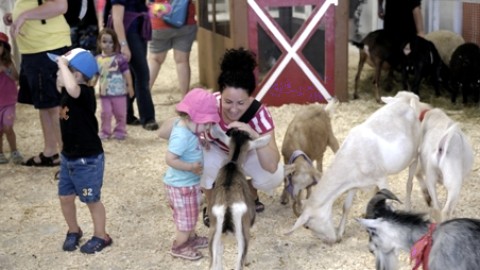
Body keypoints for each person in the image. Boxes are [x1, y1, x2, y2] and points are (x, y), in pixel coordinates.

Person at [159, 48, 284, 227]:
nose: (233, 109)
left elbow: (271, 165)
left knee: (273, 177)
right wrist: (187, 117)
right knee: (200, 157)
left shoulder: (259, 114)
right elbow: (163, 132)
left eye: (241, 103)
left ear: (250, 98)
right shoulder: (210, 104)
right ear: (220, 95)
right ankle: (211, 204)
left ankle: (249, 193)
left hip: (246, 155)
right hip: (217, 153)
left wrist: (253, 135)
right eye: (228, 102)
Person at [50, 48, 112, 254]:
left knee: (91, 200)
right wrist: (62, 69)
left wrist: (62, 65)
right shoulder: (66, 93)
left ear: (76, 75)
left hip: (88, 160)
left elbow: (73, 87)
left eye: (63, 70)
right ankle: (73, 230)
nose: (58, 73)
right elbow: (65, 86)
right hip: (69, 158)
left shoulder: (83, 93)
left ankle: (101, 235)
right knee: (65, 197)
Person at [5, 0, 71, 167]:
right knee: (44, 104)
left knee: (54, 105)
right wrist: (16, 16)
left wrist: (24, 15)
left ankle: (68, 156)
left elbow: (60, 5)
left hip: (47, 47)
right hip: (34, 49)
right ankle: (50, 151)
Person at [164, 88, 220, 260]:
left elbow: (197, 136)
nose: (208, 126)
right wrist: (189, 167)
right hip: (181, 185)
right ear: (189, 117)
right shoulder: (181, 135)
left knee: (190, 214)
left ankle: (191, 238)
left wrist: (203, 141)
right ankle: (179, 246)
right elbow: (170, 159)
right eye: (205, 123)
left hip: (189, 183)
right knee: (185, 221)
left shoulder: (192, 129)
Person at [109, 0, 159, 131]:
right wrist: (124, 45)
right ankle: (148, 118)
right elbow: (117, 19)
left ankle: (126, 115)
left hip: (139, 29)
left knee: (132, 74)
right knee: (142, 75)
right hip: (128, 32)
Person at [148, 0, 197, 103]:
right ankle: (185, 100)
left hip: (159, 22)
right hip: (185, 21)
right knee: (182, 61)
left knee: (155, 60)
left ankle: (144, 96)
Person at [96, 28, 134, 140]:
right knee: (105, 113)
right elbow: (96, 74)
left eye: (110, 42)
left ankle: (120, 131)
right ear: (99, 42)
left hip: (120, 93)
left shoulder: (120, 59)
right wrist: (91, 84)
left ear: (115, 43)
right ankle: (105, 132)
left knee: (120, 114)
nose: (107, 45)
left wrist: (130, 86)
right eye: (104, 41)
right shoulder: (97, 60)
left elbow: (127, 73)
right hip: (105, 93)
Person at [0, 31, 23, 165]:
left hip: (8, 102)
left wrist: (6, 69)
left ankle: (14, 151)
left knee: (8, 128)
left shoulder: (8, 62)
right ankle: (1, 153)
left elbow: (16, 77)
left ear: (4, 48)